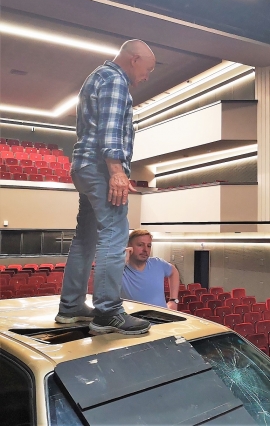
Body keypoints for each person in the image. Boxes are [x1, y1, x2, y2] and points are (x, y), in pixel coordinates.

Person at [55, 40, 156, 335]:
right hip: (101, 169)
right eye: (148, 69)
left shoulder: (97, 76)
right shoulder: (115, 80)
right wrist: (116, 171)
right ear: (134, 59)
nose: (147, 76)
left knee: (85, 238)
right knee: (114, 233)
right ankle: (108, 312)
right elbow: (110, 130)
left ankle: (71, 306)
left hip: (84, 167)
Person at [121, 230, 180, 310]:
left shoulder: (158, 263)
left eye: (149, 246)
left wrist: (173, 300)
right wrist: (122, 261)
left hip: (161, 317)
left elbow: (174, 272)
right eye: (140, 245)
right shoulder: (120, 270)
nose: (145, 249)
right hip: (133, 317)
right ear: (128, 246)